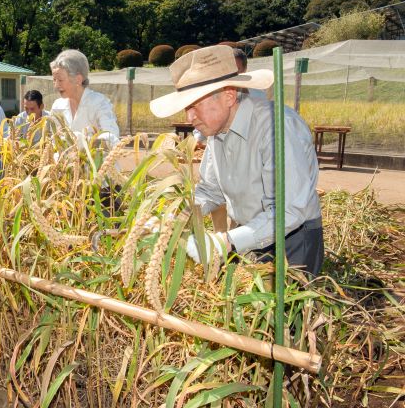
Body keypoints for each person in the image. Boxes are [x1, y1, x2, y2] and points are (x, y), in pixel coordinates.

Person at [149, 45, 323, 275]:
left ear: (229, 96)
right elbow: (211, 191)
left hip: (292, 238)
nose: (189, 117)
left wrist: (225, 242)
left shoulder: (277, 127)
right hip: (248, 233)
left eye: (194, 105)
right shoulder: (217, 131)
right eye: (186, 108)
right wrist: (175, 215)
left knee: (287, 307)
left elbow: (288, 209)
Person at [49, 49, 120, 149]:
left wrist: (84, 141)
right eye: (54, 80)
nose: (56, 86)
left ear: (78, 79)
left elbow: (111, 138)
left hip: (97, 163)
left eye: (60, 80)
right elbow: (53, 141)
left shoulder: (99, 103)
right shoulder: (57, 106)